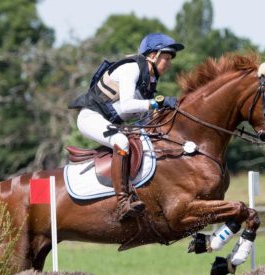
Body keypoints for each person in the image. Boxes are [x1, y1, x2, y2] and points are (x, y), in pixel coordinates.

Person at [68, 32, 184, 221]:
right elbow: (128, 105)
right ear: (152, 55)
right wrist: (159, 103)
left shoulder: (149, 80)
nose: (169, 63)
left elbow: (144, 114)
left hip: (107, 121)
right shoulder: (132, 68)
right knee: (121, 141)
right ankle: (123, 202)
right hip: (90, 117)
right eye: (166, 58)